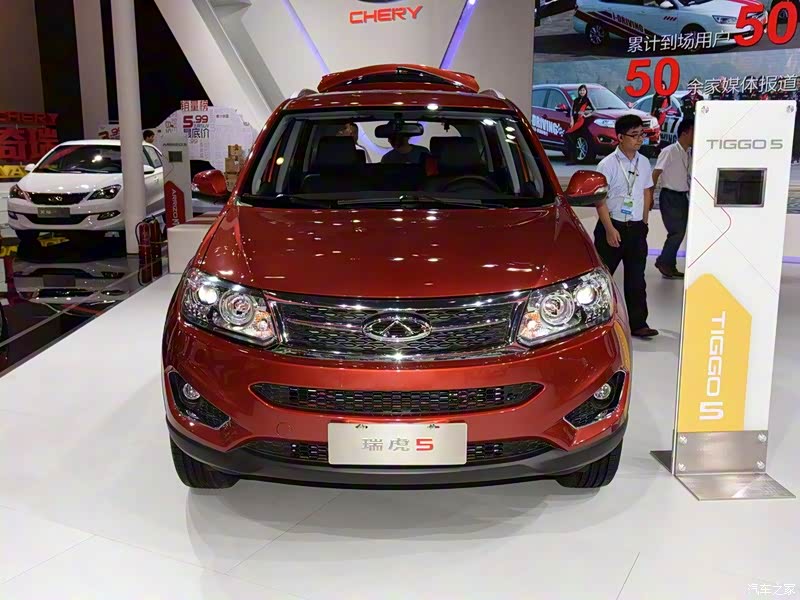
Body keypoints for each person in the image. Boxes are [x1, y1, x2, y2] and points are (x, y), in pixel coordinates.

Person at [593, 114, 658, 339]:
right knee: (602, 279)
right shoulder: (607, 164)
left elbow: (647, 192)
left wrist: (645, 222)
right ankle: (595, 323)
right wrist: (610, 229)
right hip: (612, 226)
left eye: (642, 134)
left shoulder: (644, 162)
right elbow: (600, 199)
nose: (640, 139)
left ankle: (639, 324)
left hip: (636, 227)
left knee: (636, 278)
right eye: (634, 135)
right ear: (620, 137)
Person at [653, 118, 694, 279]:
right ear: (684, 133)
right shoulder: (669, 151)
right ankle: (664, 262)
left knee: (679, 232)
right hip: (670, 196)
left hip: (683, 196)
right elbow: (656, 173)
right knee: (676, 232)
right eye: (693, 132)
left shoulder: (689, 152)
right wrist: (650, 196)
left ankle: (669, 264)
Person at [564, 84, 594, 164]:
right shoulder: (576, 100)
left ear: (586, 91)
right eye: (580, 90)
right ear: (578, 91)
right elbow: (572, 111)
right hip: (574, 120)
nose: (582, 92)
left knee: (568, 134)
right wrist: (572, 120)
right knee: (571, 138)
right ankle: (572, 158)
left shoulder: (587, 100)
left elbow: (593, 110)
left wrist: (586, 115)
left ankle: (574, 159)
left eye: (583, 90)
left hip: (581, 121)